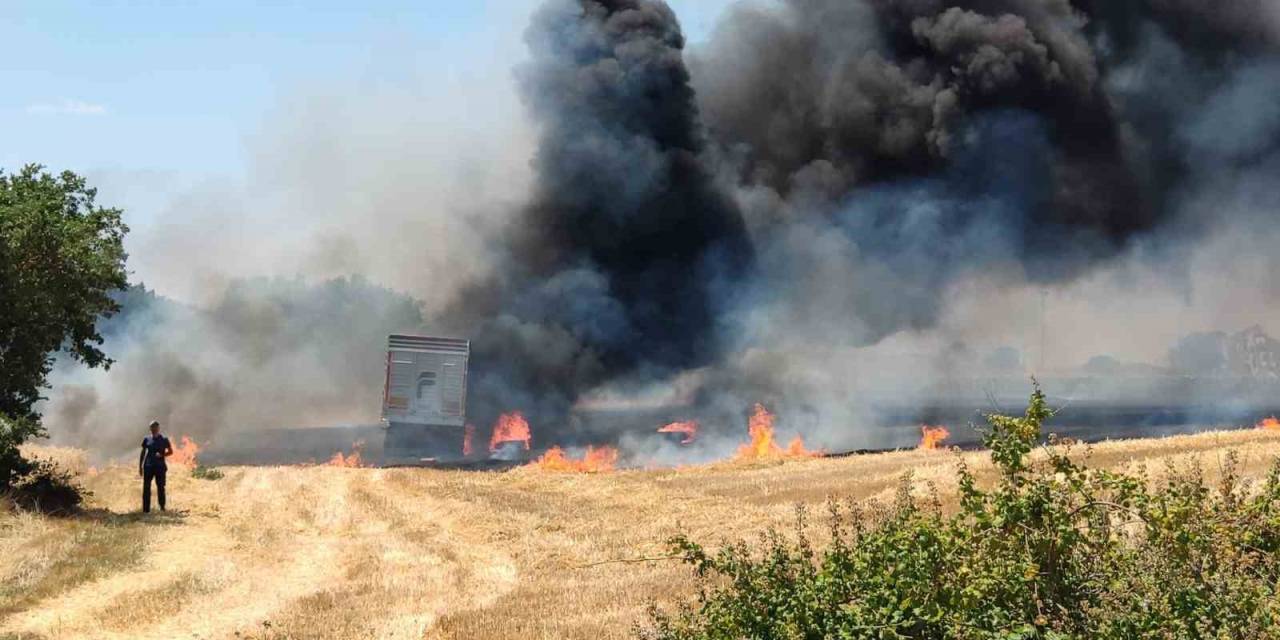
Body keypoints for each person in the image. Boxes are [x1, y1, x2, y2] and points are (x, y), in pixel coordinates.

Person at [139, 420, 173, 513]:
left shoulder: (164, 439)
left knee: (161, 487)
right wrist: (140, 466)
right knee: (146, 488)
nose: (154, 429)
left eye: (155, 427)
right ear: (150, 428)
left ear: (158, 428)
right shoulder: (147, 439)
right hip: (148, 466)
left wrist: (162, 455)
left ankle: (162, 507)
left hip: (160, 467)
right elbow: (143, 453)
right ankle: (146, 510)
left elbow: (171, 452)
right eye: (152, 427)